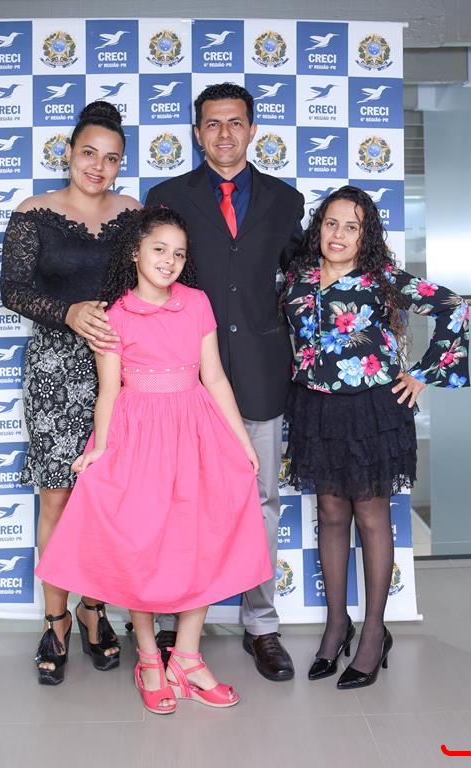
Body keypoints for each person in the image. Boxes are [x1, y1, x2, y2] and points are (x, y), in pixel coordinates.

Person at [35, 206, 273, 714]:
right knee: (140, 544)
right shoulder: (115, 315)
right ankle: (148, 658)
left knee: (203, 538)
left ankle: (187, 657)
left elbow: (214, 376)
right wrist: (100, 449)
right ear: (135, 252)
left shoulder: (197, 303)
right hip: (138, 433)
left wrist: (242, 441)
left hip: (196, 428)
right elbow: (108, 391)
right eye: (159, 249)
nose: (169, 261)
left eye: (178, 254)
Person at [145, 83, 305, 682]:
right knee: (176, 501)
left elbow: (301, 284)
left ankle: (260, 625)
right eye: (212, 124)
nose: (224, 133)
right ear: (197, 133)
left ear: (252, 129)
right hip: (184, 378)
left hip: (261, 374)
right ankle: (170, 621)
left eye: (235, 122)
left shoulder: (286, 201)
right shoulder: (167, 197)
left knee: (260, 501)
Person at [283, 185, 470, 689]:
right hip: (315, 408)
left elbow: (453, 306)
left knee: (370, 515)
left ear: (365, 236)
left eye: (352, 227)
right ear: (318, 227)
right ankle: (336, 626)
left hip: (372, 409)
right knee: (330, 513)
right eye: (331, 223)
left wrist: (423, 373)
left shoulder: (383, 278)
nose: (339, 234)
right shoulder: (298, 278)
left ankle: (372, 632)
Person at [0, 101, 142, 685]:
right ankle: (55, 620)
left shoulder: (134, 214)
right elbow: (12, 289)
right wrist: (69, 312)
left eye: (111, 158)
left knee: (107, 500)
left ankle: (93, 609)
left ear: (120, 164)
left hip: (124, 370)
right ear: (68, 152)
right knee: (57, 499)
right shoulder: (33, 212)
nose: (98, 166)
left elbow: (154, 280)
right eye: (88, 153)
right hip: (55, 371)